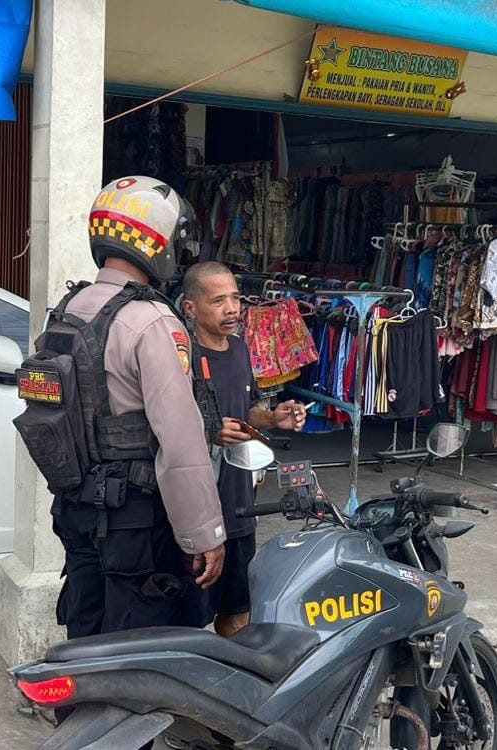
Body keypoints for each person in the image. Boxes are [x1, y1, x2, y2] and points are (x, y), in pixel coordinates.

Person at [50, 176, 228, 654]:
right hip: (135, 519)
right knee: (139, 653)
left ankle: (78, 704)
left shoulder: (68, 309)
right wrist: (204, 534)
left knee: (85, 638)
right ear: (157, 240)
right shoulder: (151, 320)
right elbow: (181, 440)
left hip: (75, 507)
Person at [180, 261, 307, 637]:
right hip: (197, 514)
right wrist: (209, 430)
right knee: (187, 623)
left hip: (239, 509)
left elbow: (246, 410)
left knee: (238, 616)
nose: (232, 309)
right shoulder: (181, 357)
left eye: (235, 298)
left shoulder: (239, 349)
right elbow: (165, 426)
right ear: (190, 308)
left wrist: (273, 419)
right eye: (218, 301)